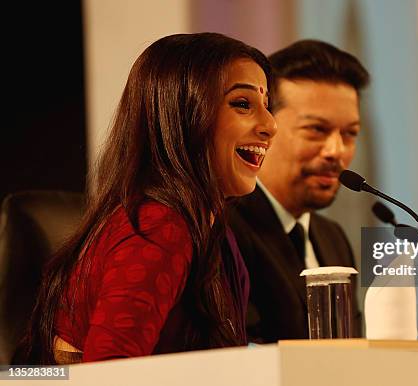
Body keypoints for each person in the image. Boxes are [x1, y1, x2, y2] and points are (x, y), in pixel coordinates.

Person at [16, 32, 276, 364]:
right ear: (183, 114)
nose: (270, 125)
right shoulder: (160, 226)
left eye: (267, 106)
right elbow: (109, 373)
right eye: (243, 104)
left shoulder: (211, 229)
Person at [229, 40, 369, 342]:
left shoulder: (333, 238)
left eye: (350, 133)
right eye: (316, 130)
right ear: (264, 127)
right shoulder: (224, 228)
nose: (336, 151)